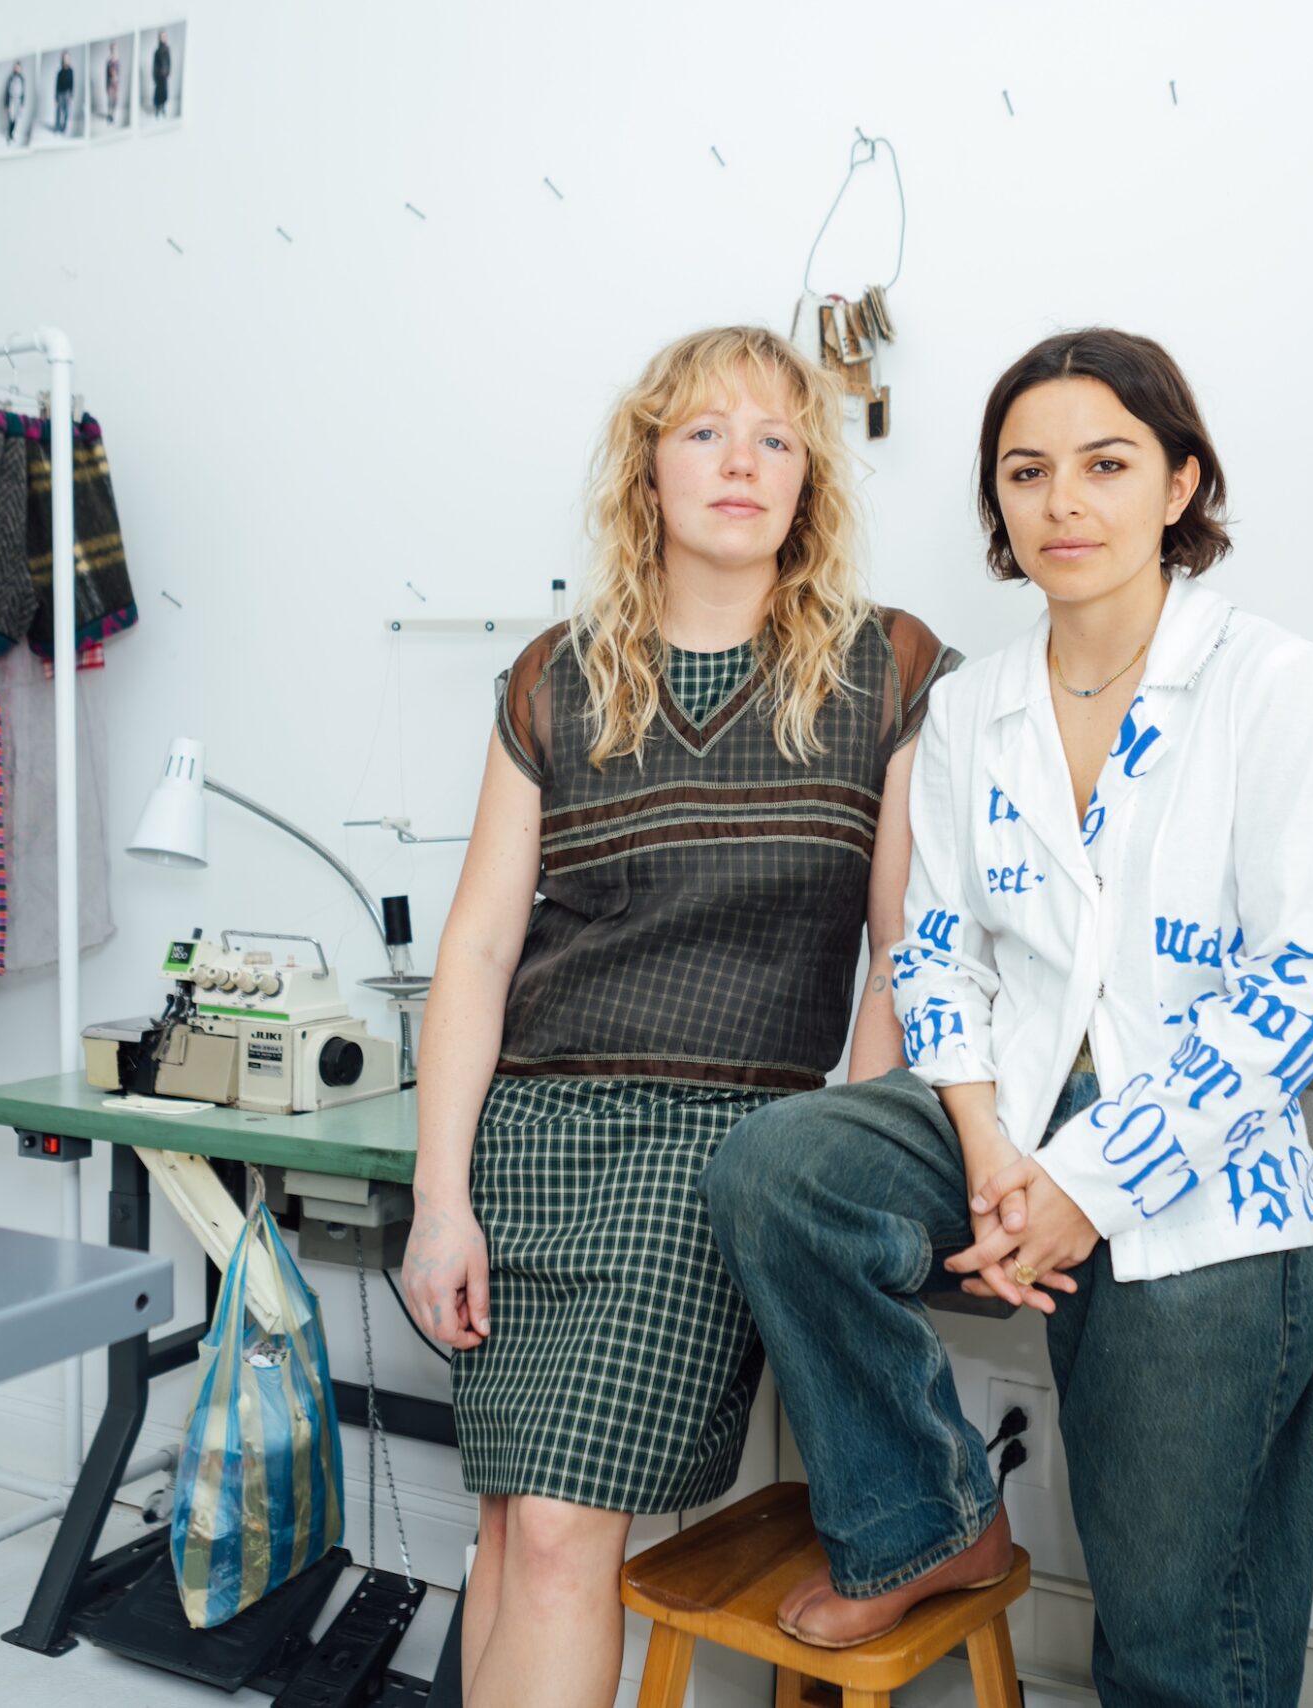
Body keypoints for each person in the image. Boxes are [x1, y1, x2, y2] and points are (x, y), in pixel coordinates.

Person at [705, 328, 1313, 1704]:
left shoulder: (1270, 682)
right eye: (1026, 471)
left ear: (1181, 483)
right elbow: (933, 952)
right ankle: (931, 1522)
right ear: (999, 505)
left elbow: (1297, 984)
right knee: (781, 1169)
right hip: (1000, 1110)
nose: (1063, 501)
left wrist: (1086, 1184)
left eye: (1106, 464)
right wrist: (996, 1155)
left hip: (1203, 1178)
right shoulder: (974, 707)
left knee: (1174, 1631)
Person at [400, 325, 958, 1708]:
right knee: (505, 1525)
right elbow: (476, 950)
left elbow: (906, 953)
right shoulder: (556, 676)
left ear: (809, 483)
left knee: (555, 1532)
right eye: (706, 431)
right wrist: (439, 1195)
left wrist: (838, 1154)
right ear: (646, 469)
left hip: (716, 1155)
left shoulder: (884, 668)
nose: (742, 463)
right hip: (528, 1144)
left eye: (777, 438)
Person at [1, 61, 27, 142]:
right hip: (11, 101)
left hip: (18, 102)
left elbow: (23, 92)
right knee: (11, 118)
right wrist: (6, 104)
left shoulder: (22, 79)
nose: (17, 69)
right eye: (16, 67)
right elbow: (6, 92)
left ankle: (12, 134)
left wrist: (22, 103)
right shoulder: (10, 78)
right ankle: (9, 134)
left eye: (18, 67)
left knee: (16, 118)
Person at [151, 30, 173, 117]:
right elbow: (154, 65)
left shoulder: (167, 49)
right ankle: (157, 108)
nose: (163, 38)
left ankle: (163, 107)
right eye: (161, 36)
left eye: (164, 36)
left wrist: (168, 72)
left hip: (164, 76)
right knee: (158, 93)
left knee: (164, 92)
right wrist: (154, 77)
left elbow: (169, 62)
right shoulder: (156, 51)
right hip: (158, 76)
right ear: (159, 38)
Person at [54, 51, 76, 133]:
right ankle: (57, 127)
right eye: (64, 58)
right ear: (62, 59)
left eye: (67, 58)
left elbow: (72, 84)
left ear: (69, 59)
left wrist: (71, 96)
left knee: (67, 111)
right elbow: (57, 86)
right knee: (59, 111)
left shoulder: (71, 71)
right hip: (60, 94)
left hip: (67, 94)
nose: (65, 59)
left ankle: (64, 128)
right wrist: (56, 98)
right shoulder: (59, 72)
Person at [105, 43, 123, 120]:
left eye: (115, 49)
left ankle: (113, 114)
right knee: (110, 100)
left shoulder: (118, 61)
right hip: (110, 84)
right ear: (110, 50)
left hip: (116, 84)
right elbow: (106, 75)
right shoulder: (108, 62)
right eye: (112, 49)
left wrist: (117, 80)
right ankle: (109, 114)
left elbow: (119, 73)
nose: (114, 50)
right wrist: (106, 85)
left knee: (115, 100)